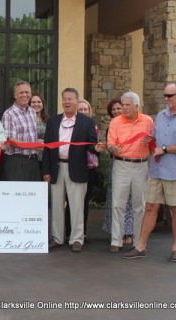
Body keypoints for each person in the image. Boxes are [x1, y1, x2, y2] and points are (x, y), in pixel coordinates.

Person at [124, 82, 176, 262]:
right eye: (165, 95)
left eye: (170, 96)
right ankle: (140, 246)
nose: (166, 99)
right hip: (157, 169)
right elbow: (157, 140)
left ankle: (175, 248)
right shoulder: (161, 115)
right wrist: (150, 140)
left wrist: (166, 149)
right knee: (150, 207)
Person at [42, 88, 102, 253]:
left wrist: (97, 148)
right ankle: (57, 238)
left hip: (77, 168)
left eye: (70, 99)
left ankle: (77, 239)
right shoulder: (53, 121)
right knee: (56, 205)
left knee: (77, 206)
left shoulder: (87, 122)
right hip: (56, 167)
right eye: (64, 99)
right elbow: (47, 149)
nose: (67, 102)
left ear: (77, 101)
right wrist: (46, 171)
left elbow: (91, 144)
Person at [65, 99, 100, 243]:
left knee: (84, 202)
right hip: (73, 166)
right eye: (81, 109)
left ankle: (82, 233)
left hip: (89, 168)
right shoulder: (70, 126)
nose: (84, 112)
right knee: (70, 202)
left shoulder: (93, 126)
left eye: (86, 109)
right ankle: (68, 232)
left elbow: (94, 146)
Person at [102, 99, 135, 245]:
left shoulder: (130, 125)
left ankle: (128, 232)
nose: (116, 111)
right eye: (113, 110)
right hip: (114, 164)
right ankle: (115, 232)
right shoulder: (112, 126)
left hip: (130, 164)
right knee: (114, 199)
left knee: (128, 201)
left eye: (118, 108)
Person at [1, 81, 40, 181]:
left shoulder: (32, 111)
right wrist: (34, 145)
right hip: (16, 162)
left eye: (27, 92)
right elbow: (11, 141)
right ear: (15, 95)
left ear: (31, 94)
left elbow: (30, 136)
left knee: (33, 195)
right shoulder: (9, 114)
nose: (24, 95)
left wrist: (40, 143)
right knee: (16, 195)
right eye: (21, 92)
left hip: (33, 161)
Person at [30, 93, 49, 171]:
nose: (36, 104)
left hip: (44, 159)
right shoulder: (26, 120)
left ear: (43, 104)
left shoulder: (48, 120)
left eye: (39, 102)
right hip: (30, 158)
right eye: (33, 102)